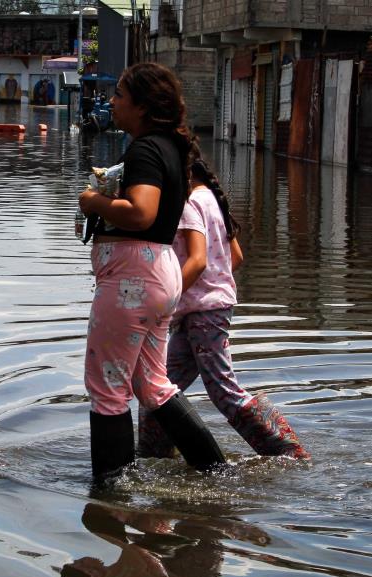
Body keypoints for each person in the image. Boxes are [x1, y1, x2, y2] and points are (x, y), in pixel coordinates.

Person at [78, 63, 226, 480]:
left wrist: (94, 202)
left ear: (142, 106)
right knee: (152, 385)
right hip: (157, 277)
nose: (112, 101)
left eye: (120, 94)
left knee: (107, 388)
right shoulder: (169, 148)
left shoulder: (145, 149)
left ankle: (112, 497)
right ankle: (216, 472)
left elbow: (142, 212)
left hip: (132, 281)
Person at [138, 157, 310, 460]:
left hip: (203, 312)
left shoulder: (191, 201)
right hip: (201, 310)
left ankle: (290, 453)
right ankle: (153, 458)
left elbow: (199, 261)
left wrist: (168, 300)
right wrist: (210, 288)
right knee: (156, 388)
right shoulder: (210, 199)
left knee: (223, 391)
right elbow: (236, 257)